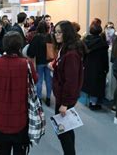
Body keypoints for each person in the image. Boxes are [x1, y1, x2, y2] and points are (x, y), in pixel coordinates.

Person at [0, 31, 38, 155]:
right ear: (20, 45)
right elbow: (34, 82)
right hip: (21, 119)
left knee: (2, 151)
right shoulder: (27, 64)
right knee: (20, 151)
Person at [51, 21, 85, 155]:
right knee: (67, 129)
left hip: (65, 99)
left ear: (67, 33)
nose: (56, 35)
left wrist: (64, 103)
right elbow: (63, 69)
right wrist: (54, 66)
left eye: (59, 32)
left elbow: (71, 81)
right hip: (62, 96)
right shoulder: (64, 48)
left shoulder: (71, 54)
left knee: (63, 131)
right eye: (55, 32)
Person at [82, 20, 109, 111]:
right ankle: (93, 103)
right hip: (99, 67)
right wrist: (106, 68)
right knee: (97, 86)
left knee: (89, 84)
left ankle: (90, 101)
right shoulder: (102, 43)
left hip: (88, 66)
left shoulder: (85, 41)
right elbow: (105, 58)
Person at [27, 21, 52, 107]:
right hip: (49, 62)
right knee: (49, 80)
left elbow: (30, 51)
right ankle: (48, 98)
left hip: (39, 62)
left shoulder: (36, 38)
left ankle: (39, 98)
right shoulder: (50, 37)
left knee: (39, 80)